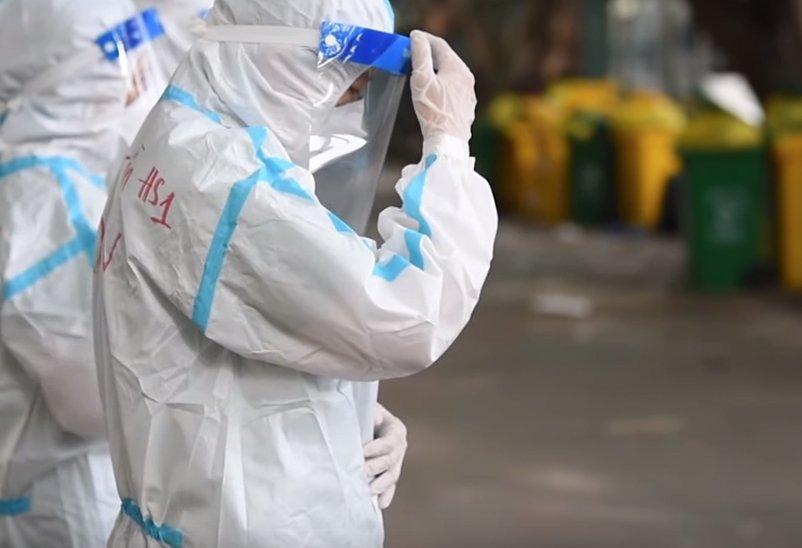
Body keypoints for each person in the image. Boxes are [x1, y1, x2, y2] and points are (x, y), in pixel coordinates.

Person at [94, 0, 497, 546]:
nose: (346, 103)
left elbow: (231, 338)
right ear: (280, 50)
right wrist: (449, 147)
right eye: (341, 79)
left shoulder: (189, 134)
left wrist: (349, 407)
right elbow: (407, 312)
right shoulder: (225, 178)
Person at [0, 1, 167, 546]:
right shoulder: (39, 196)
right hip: (61, 505)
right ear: (58, 67)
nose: (139, 67)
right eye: (119, 49)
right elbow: (98, 401)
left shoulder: (61, 167)